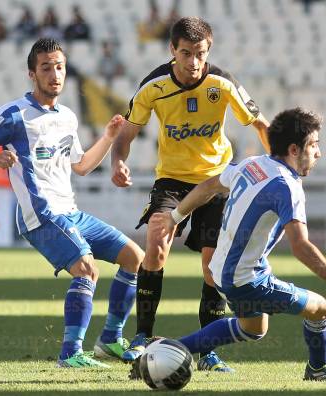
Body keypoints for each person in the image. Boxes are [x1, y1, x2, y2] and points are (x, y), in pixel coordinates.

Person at [150, 107, 326, 381]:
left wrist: (175, 216)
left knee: (253, 328)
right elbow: (301, 247)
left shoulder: (251, 164)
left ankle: (170, 349)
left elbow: (209, 186)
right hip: (246, 279)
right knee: (321, 309)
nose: (319, 153)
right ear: (294, 149)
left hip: (221, 270)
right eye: (314, 145)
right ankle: (319, 369)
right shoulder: (287, 187)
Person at [0, 38, 144, 368]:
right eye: (46, 68)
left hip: (70, 211)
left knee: (135, 258)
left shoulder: (67, 117)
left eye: (59, 66)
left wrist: (108, 137)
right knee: (88, 269)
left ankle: (109, 341)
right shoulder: (14, 114)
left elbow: (82, 167)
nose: (54, 74)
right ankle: (71, 353)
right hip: (40, 214)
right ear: (32, 74)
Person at [111, 16, 270, 372]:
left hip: (218, 181)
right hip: (172, 180)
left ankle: (209, 351)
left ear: (208, 50)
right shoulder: (153, 86)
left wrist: (281, 166)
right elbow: (126, 134)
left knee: (213, 266)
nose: (193, 62)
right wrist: (118, 162)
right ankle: (142, 337)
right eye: (186, 53)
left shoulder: (222, 83)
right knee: (155, 241)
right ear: (173, 50)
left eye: (200, 53)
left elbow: (261, 124)